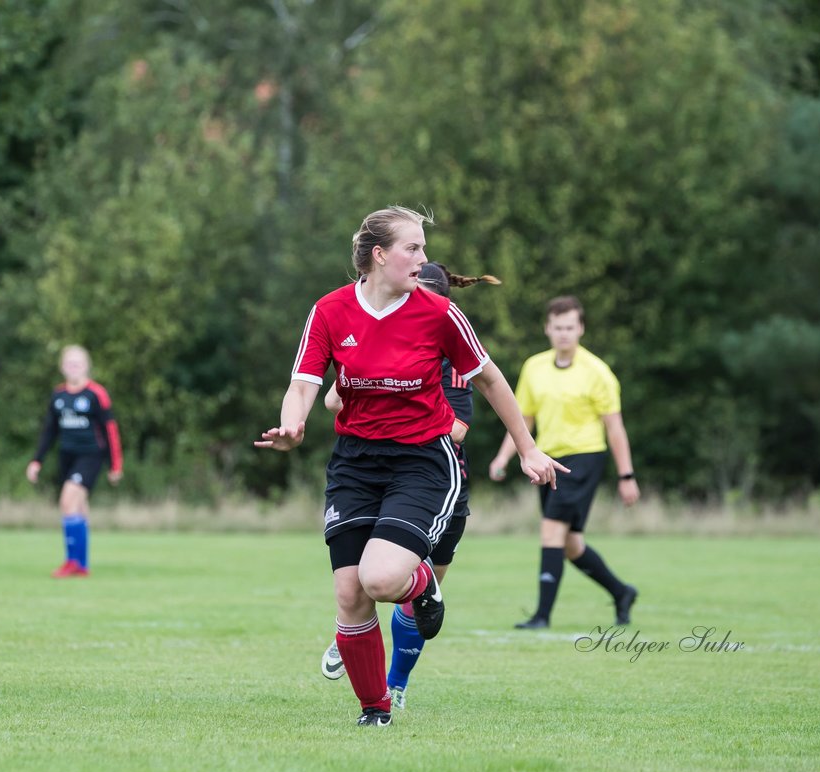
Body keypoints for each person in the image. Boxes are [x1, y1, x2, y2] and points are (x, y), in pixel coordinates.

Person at [256, 206, 566, 726]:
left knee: (380, 580)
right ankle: (375, 711)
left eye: (422, 249)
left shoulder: (439, 313)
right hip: (355, 461)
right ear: (379, 255)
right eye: (413, 249)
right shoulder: (330, 311)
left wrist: (528, 448)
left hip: (422, 459)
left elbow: (489, 380)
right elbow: (304, 382)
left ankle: (423, 584)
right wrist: (293, 426)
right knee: (349, 592)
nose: (424, 261)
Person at [318, 261, 501, 711]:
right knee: (363, 584)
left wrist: (408, 399)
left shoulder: (450, 355)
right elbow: (330, 398)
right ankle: (356, 648)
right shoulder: (377, 333)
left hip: (436, 480)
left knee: (408, 599)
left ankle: (397, 683)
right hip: (372, 471)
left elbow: (458, 428)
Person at [488, 296, 640, 629]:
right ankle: (621, 591)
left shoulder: (597, 372)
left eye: (570, 327)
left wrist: (626, 475)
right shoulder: (534, 367)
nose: (564, 334)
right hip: (546, 460)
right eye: (557, 328)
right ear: (547, 329)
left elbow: (614, 428)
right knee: (571, 545)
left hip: (583, 459)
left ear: (581, 328)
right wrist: (503, 456)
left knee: (551, 530)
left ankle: (542, 616)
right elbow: (523, 419)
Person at [26, 345, 123, 578]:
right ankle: (82, 564)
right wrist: (36, 460)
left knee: (67, 502)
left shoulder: (96, 394)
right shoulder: (58, 395)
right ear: (62, 367)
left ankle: (72, 562)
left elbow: (110, 429)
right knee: (78, 508)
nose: (73, 367)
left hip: (91, 455)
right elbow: (49, 431)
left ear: (87, 366)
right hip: (67, 456)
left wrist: (115, 464)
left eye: (78, 363)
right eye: (69, 363)